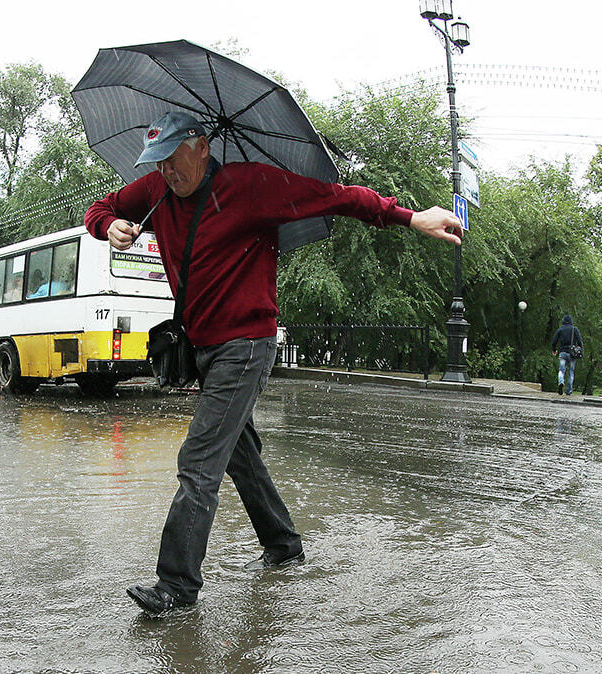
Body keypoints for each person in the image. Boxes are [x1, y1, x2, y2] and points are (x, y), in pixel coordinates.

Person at [84, 111, 464, 615]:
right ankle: (283, 544)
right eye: (158, 162)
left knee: (198, 461)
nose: (167, 173)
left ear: (200, 146)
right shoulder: (156, 188)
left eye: (174, 159)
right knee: (237, 453)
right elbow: (100, 208)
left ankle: (176, 587)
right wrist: (110, 226)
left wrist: (410, 217)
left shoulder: (252, 186)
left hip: (245, 346)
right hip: (200, 347)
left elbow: (339, 196)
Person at [550, 314, 583, 396]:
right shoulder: (574, 329)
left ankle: (561, 382)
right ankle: (569, 390)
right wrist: (581, 350)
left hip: (562, 352)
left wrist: (554, 350)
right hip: (572, 353)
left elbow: (554, 341)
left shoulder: (560, 329)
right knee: (571, 372)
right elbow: (580, 341)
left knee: (561, 370)